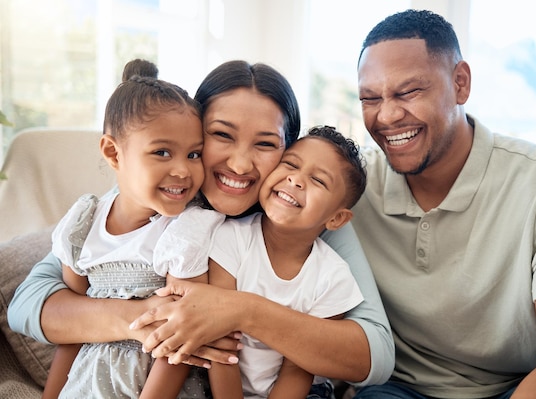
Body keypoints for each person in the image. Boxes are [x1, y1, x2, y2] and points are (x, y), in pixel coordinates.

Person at [8, 60, 395, 396]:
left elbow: (374, 354)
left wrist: (239, 310)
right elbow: (28, 304)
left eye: (265, 144)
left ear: (287, 151)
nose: (240, 165)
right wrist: (149, 319)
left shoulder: (306, 220)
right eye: (222, 135)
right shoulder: (152, 200)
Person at [346, 9, 536, 399]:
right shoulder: (349, 188)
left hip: (517, 387)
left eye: (408, 92)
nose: (386, 115)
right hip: (395, 389)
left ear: (460, 83)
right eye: (370, 98)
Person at [42, 73, 223, 399]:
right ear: (113, 153)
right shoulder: (82, 225)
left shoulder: (185, 230)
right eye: (163, 153)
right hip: (88, 383)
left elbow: (179, 340)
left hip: (155, 386)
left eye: (194, 154)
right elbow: (71, 332)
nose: (183, 170)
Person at [208, 125, 367, 398]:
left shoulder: (333, 278)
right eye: (290, 164)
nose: (296, 180)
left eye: (318, 180)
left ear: (336, 219)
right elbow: (219, 340)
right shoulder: (230, 238)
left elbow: (299, 367)